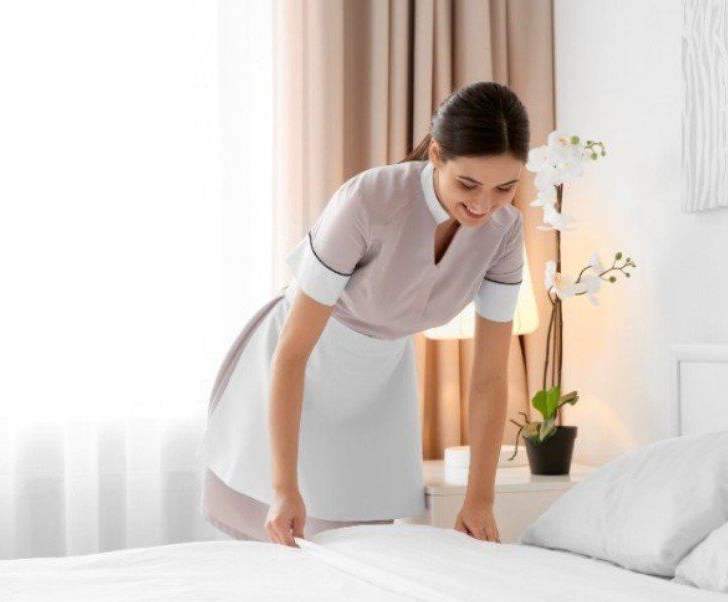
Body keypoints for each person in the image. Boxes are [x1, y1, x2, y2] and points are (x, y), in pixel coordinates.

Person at [198, 81, 530, 547]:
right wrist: (283, 487)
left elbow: (490, 378)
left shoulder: (504, 231)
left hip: (379, 382)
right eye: (468, 184)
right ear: (436, 155)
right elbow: (293, 354)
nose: (483, 204)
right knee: (276, 544)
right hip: (299, 366)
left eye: (504, 188)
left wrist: (480, 498)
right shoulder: (371, 200)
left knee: (359, 556)